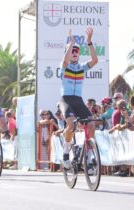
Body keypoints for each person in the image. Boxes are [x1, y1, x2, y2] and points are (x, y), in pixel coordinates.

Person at [59, 27, 98, 169]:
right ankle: (66, 151)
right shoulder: (64, 66)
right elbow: (65, 60)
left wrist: (89, 42)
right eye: (72, 51)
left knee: (92, 125)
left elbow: (95, 60)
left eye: (77, 51)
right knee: (70, 125)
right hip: (66, 100)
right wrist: (71, 43)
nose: (75, 53)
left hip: (79, 100)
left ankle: (88, 158)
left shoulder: (81, 67)